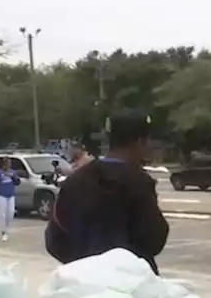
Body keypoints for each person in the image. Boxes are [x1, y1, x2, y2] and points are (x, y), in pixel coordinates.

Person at [49, 110, 170, 273]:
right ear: (139, 142)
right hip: (131, 287)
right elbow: (154, 240)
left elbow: (55, 239)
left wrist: (82, 264)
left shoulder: (76, 180)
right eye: (148, 142)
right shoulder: (139, 182)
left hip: (84, 285)